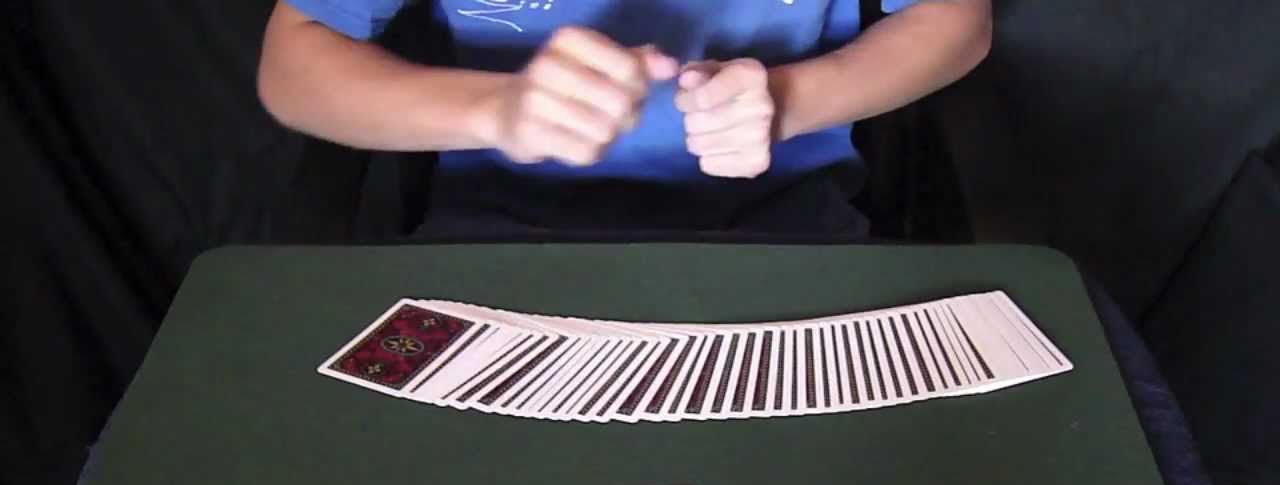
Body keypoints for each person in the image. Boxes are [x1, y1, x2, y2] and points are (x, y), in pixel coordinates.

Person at [258, 0, 991, 233]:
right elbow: (292, 66)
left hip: (785, 232)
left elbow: (956, 18)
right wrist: (494, 111)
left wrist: (796, 99)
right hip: (495, 242)